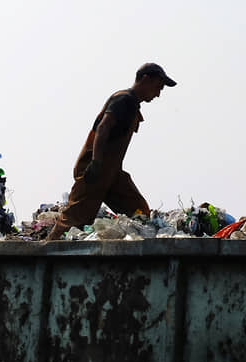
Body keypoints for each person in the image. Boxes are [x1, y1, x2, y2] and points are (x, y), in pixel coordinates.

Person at [47, 63, 177, 240]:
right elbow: (103, 128)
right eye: (157, 87)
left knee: (139, 211)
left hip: (111, 173)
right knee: (76, 217)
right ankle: (47, 250)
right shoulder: (124, 100)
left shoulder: (132, 103)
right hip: (95, 169)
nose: (158, 94)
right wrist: (96, 163)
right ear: (145, 79)